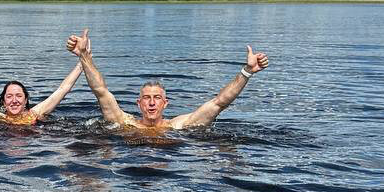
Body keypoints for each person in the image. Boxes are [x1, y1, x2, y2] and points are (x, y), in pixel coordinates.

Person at [65, 31, 269, 131]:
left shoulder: (178, 126)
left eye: (156, 98)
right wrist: (83, 55)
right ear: (139, 103)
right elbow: (101, 91)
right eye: (146, 98)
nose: (151, 102)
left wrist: (247, 71)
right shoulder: (125, 122)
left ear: (165, 103)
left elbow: (219, 102)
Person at [0, 34, 87, 126]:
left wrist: (84, 59)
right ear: (3, 102)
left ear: (26, 100)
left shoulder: (35, 114)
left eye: (19, 96)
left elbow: (63, 89)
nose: (14, 100)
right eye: (9, 96)